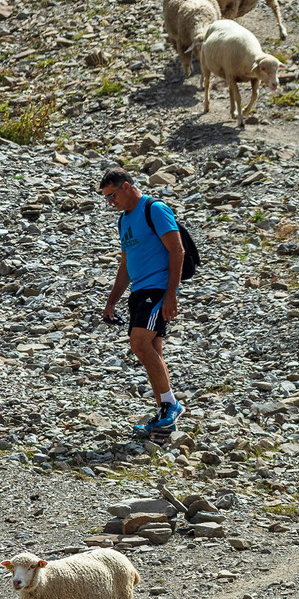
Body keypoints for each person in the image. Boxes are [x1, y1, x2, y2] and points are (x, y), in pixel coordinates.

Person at [100, 165, 186, 437]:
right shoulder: (123, 220)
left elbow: (178, 250)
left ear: (126, 186)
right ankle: (164, 421)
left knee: (139, 343)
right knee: (153, 351)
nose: (110, 202)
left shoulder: (154, 209)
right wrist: (111, 302)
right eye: (106, 198)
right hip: (138, 291)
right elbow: (126, 264)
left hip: (157, 288)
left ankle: (171, 405)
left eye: (112, 196)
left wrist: (171, 294)